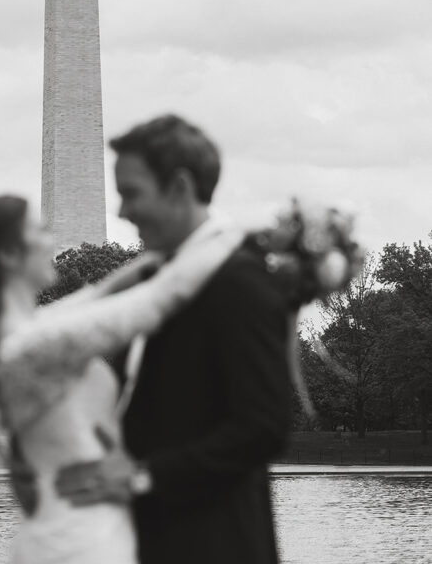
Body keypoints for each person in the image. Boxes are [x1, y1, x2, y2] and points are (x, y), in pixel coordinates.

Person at [0, 192, 247, 564]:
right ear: (8, 254)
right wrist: (240, 235)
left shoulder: (18, 335)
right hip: (85, 545)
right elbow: (163, 296)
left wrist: (159, 256)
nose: (53, 240)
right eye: (41, 230)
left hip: (66, 535)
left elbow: (104, 292)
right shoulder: (36, 344)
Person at [55, 115, 293, 564]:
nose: (122, 211)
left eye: (131, 193)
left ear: (179, 188)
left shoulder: (237, 280)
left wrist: (142, 477)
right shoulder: (158, 283)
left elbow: (263, 427)